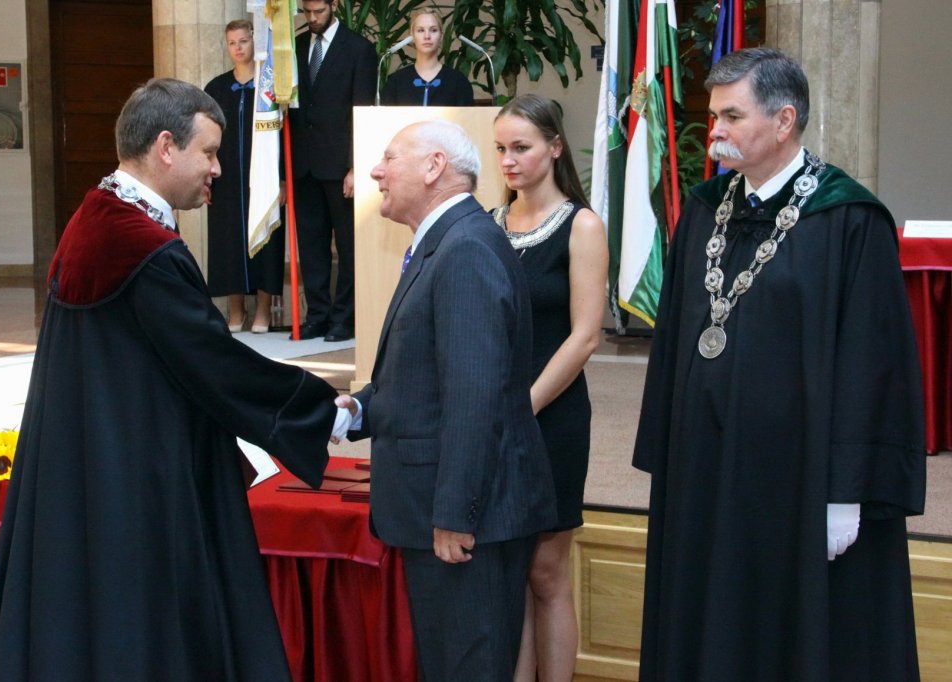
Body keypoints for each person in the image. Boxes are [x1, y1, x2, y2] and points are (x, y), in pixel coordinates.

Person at [0, 78, 343, 681]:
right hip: (141, 480)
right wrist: (325, 409)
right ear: (167, 146)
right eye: (210, 152)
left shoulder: (95, 217)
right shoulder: (142, 246)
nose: (218, 169)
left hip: (92, 465)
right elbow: (215, 364)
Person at [633, 48, 926, 681]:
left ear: (784, 119)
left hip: (798, 481)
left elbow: (872, 367)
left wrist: (847, 492)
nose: (714, 131)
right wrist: (668, 455)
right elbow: (676, 340)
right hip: (707, 471)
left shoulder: (848, 219)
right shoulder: (706, 209)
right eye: (714, 116)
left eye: (731, 117)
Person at [335, 120, 557, 680]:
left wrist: (457, 515)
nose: (376, 171)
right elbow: (424, 378)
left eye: (390, 158)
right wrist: (356, 410)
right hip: (445, 511)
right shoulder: (447, 242)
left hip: (467, 522)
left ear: (435, 167)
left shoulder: (465, 249)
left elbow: (474, 396)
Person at [491, 95, 608, 681]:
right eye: (500, 149)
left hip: (552, 415)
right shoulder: (487, 223)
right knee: (509, 570)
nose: (508, 161)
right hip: (495, 416)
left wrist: (524, 406)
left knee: (546, 571)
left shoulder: (581, 225)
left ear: (555, 147)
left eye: (521, 147)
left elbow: (585, 337)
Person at [288, 0, 376, 342]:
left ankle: (344, 318)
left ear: (334, 5)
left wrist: (356, 165)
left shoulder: (359, 49)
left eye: (319, 12)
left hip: (341, 167)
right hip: (304, 165)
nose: (312, 18)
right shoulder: (294, 47)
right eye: (307, 12)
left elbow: (362, 110)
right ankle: (318, 316)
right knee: (311, 246)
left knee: (349, 246)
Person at [204, 19, 285, 333]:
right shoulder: (216, 88)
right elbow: (203, 137)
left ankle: (263, 310)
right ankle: (236, 310)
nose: (238, 48)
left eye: (243, 41)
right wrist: (205, 178)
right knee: (228, 241)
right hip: (226, 180)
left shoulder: (269, 88)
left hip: (263, 178)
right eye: (232, 43)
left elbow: (282, 137)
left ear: (255, 42)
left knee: (266, 239)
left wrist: (281, 180)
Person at [379, 8, 474, 107]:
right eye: (420, 30)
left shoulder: (458, 82)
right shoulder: (396, 82)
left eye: (433, 30)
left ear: (441, 36)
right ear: (412, 37)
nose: (427, 36)